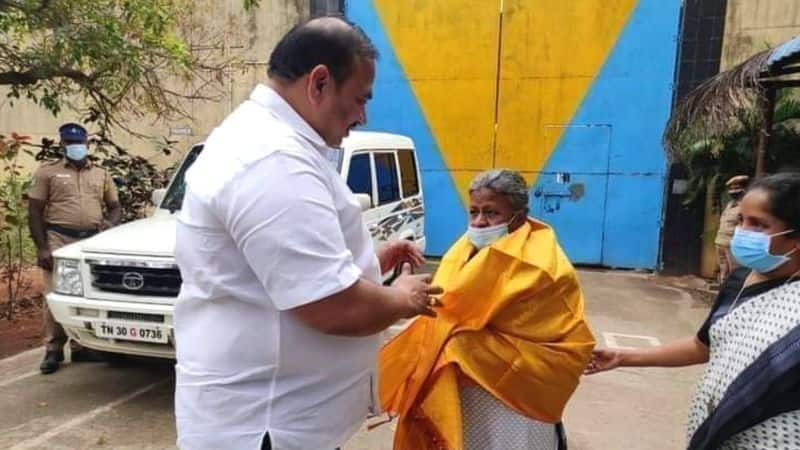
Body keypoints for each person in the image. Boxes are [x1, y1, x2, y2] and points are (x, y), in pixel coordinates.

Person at [173, 16, 442, 450]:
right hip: (267, 428)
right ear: (319, 83)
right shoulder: (272, 159)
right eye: (359, 99)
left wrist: (372, 260)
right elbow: (332, 307)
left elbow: (285, 264)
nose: (362, 115)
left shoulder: (278, 143)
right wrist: (404, 298)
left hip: (279, 420)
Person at [378, 169, 595, 450]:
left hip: (520, 390)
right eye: (474, 212)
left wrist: (459, 340)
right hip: (468, 388)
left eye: (491, 213)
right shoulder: (463, 249)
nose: (480, 222)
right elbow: (450, 309)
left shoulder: (542, 263)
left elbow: (547, 328)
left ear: (520, 215)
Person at [586, 172, 800, 449]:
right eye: (740, 221)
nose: (742, 232)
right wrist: (623, 357)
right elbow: (703, 346)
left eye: (758, 225)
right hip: (717, 434)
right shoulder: (739, 281)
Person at [28, 122, 121, 374]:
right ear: (62, 144)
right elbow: (34, 211)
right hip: (58, 238)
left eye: (79, 143)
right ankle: (53, 349)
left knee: (86, 294)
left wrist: (110, 223)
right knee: (54, 293)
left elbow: (115, 206)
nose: (75, 147)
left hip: (90, 241)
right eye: (70, 143)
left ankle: (82, 346)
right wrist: (42, 248)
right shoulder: (48, 173)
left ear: (87, 144)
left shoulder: (101, 174)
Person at [715, 175, 749, 282]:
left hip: (732, 244)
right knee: (723, 271)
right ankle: (723, 292)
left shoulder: (745, 206)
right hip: (720, 242)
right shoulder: (730, 204)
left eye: (736, 188)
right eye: (731, 189)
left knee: (735, 271)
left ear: (743, 190)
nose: (733, 191)